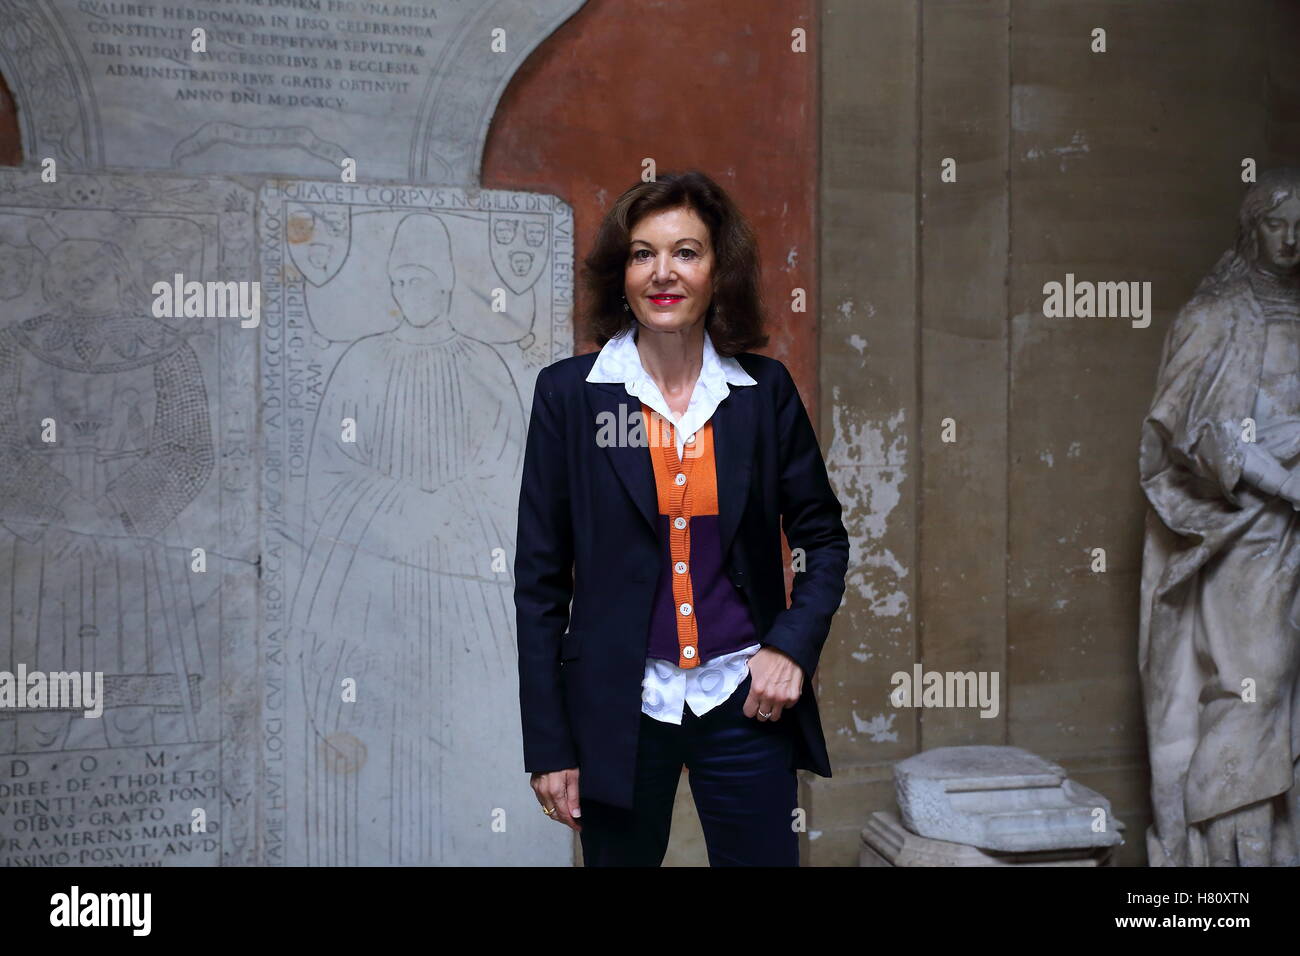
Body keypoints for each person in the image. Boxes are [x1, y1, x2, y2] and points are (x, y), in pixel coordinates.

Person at [515, 170, 849, 866]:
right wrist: (551, 745)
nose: (663, 272)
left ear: (717, 269)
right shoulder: (574, 399)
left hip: (743, 702)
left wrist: (790, 645)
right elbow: (540, 586)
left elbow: (822, 540)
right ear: (622, 272)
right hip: (618, 707)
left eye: (686, 252)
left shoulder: (762, 395)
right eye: (643, 253)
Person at [1139, 167, 1300, 866]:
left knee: (1287, 692)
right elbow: (1200, 431)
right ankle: (1226, 849)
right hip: (1246, 527)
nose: (1292, 239)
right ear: (1251, 226)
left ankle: (1275, 843)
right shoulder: (1218, 314)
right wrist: (1289, 490)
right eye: (1277, 223)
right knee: (1252, 682)